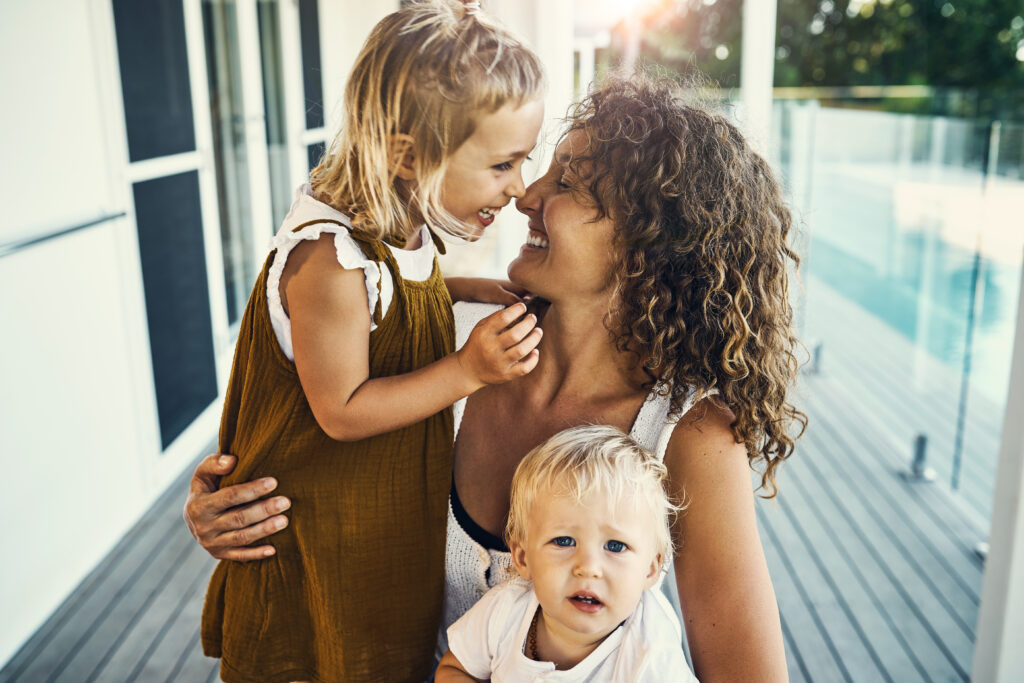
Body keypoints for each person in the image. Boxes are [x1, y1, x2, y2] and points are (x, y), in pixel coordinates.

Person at [185, 73, 805, 682]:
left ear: (647, 243)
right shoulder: (443, 340)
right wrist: (229, 508)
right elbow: (314, 442)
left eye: (568, 184)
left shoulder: (686, 432)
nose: (526, 195)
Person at [198, 2, 546, 681]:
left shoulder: (401, 227)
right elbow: (343, 407)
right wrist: (468, 369)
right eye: (503, 163)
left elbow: (396, 304)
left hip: (371, 538)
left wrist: (465, 286)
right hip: (314, 554)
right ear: (408, 154)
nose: (520, 187)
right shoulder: (330, 258)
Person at [435, 425, 698, 682]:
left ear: (651, 569)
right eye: (564, 541)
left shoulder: (650, 657)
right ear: (523, 558)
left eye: (615, 546)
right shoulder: (506, 610)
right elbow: (455, 669)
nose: (588, 567)